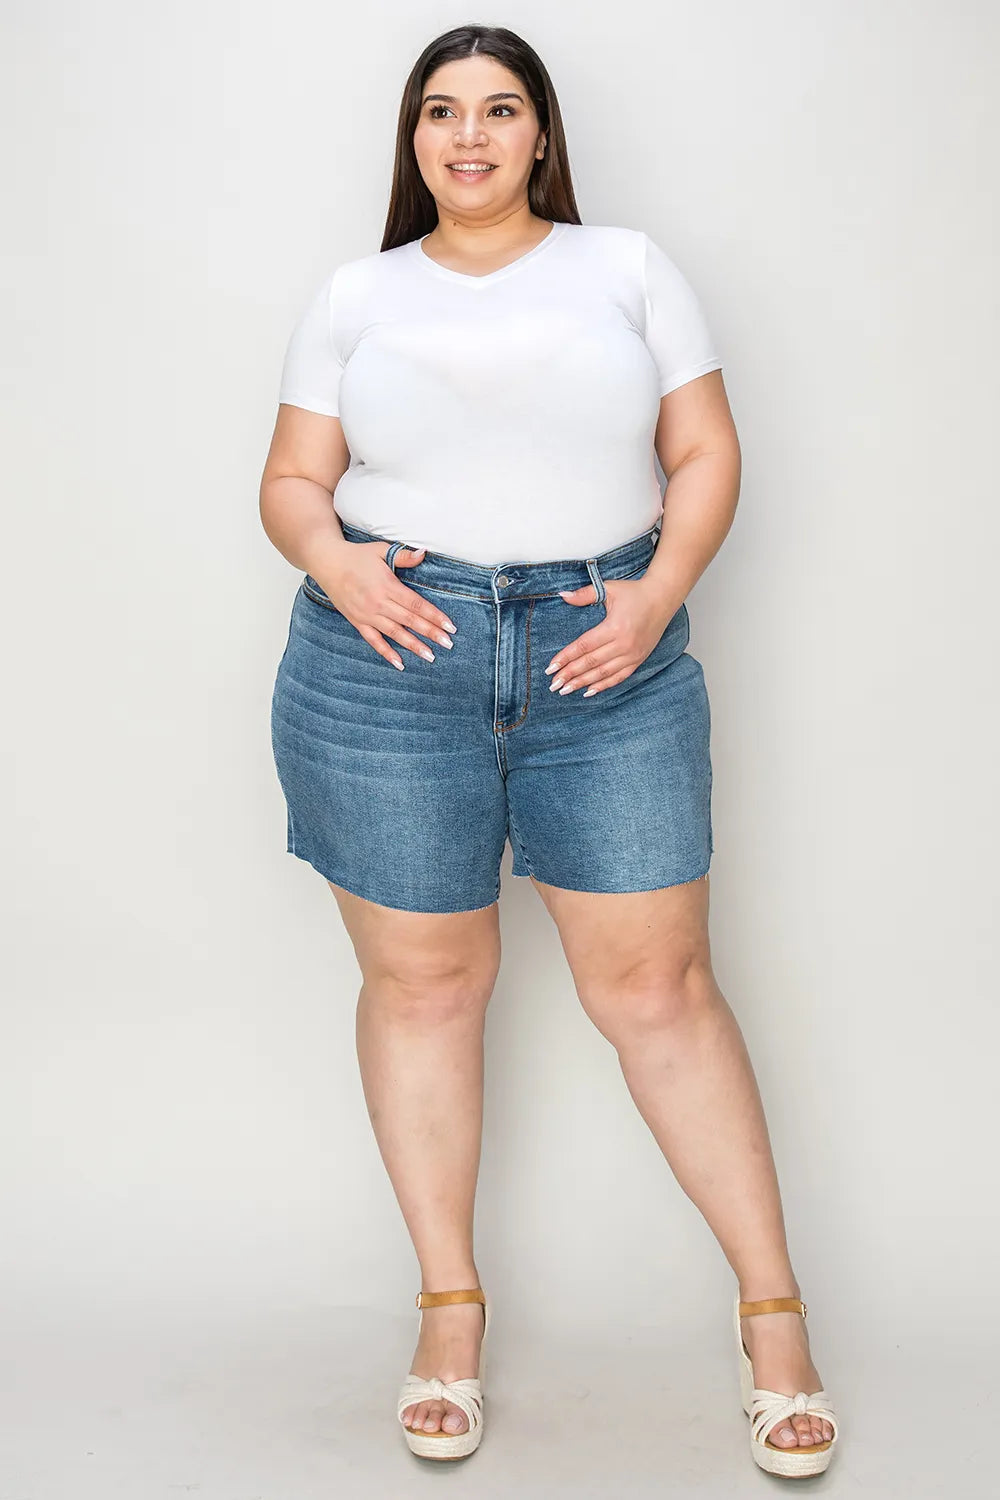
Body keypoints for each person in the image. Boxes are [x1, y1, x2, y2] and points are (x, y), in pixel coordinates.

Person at [260, 23, 839, 1479]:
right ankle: (449, 1311)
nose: (470, 135)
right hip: (392, 662)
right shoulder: (356, 295)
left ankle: (773, 1315)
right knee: (427, 988)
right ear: (415, 139)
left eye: (500, 108)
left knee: (659, 990)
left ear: (540, 134)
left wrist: (658, 592)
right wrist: (336, 563)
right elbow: (292, 481)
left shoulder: (626, 269)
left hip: (607, 654)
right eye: (442, 111)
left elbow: (705, 453)